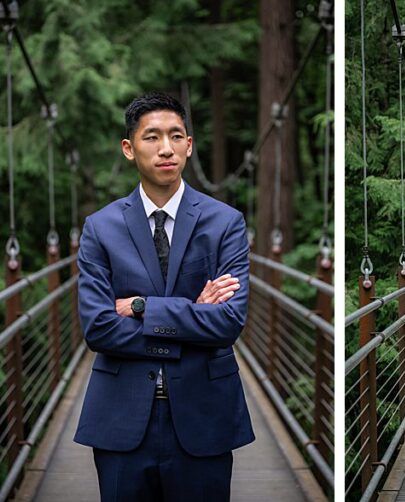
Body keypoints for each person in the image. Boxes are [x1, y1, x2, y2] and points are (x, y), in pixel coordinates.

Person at [74, 92, 254, 501]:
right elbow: (99, 328)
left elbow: (228, 323)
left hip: (204, 416)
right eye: (152, 137)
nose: (166, 148)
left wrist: (141, 308)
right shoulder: (100, 229)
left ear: (189, 145)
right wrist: (192, 317)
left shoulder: (226, 224)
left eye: (176, 136)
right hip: (120, 419)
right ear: (129, 149)